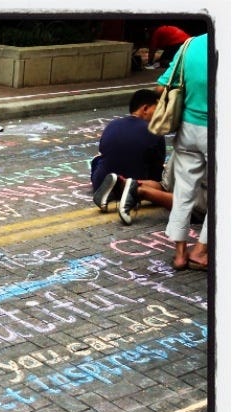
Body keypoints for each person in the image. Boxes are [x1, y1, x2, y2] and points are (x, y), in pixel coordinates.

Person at [156, 33, 208, 271]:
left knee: (184, 191)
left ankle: (179, 253)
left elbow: (161, 85)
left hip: (187, 128)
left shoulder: (191, 45)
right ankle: (200, 250)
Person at [90, 88, 166, 225]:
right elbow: (157, 166)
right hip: (139, 183)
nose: (160, 115)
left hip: (99, 182)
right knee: (166, 177)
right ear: (145, 108)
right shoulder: (155, 130)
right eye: (158, 109)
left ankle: (114, 185)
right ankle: (130, 187)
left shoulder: (112, 125)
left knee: (97, 160)